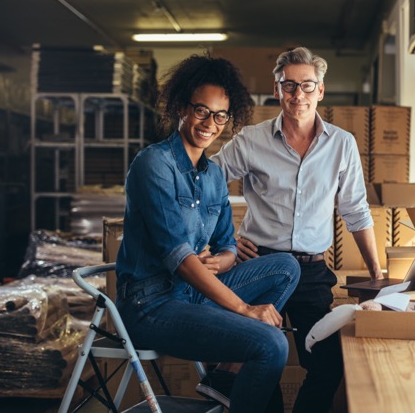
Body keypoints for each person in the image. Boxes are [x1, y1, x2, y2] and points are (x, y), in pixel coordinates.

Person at [114, 53, 300, 413]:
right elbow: (180, 258)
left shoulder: (213, 174)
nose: (209, 123)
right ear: (182, 106)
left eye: (220, 116)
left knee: (286, 267)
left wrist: (219, 260)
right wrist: (245, 309)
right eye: (201, 111)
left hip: (192, 292)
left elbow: (228, 244)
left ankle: (227, 376)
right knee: (271, 344)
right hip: (150, 305)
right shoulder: (154, 165)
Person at [211, 46, 384, 413]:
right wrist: (225, 241)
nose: (298, 95)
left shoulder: (342, 145)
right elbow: (205, 186)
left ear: (321, 90)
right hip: (260, 265)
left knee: (328, 363)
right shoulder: (251, 140)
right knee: (262, 361)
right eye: (289, 86)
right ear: (277, 90)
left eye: (307, 86)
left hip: (311, 269)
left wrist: (377, 273)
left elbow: (355, 210)